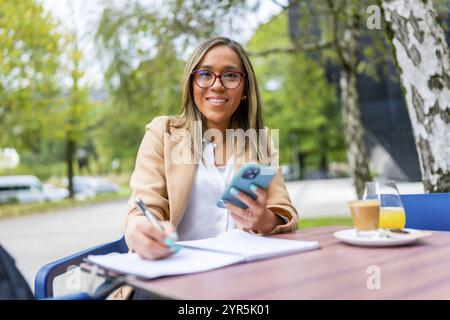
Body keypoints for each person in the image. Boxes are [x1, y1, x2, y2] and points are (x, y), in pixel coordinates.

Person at [117, 37, 298, 299]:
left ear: (245, 86)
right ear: (192, 84)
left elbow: (285, 214)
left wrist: (265, 220)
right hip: (173, 280)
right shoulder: (163, 132)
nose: (217, 85)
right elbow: (141, 211)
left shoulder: (259, 140)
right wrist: (140, 231)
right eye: (205, 74)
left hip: (242, 279)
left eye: (230, 76)